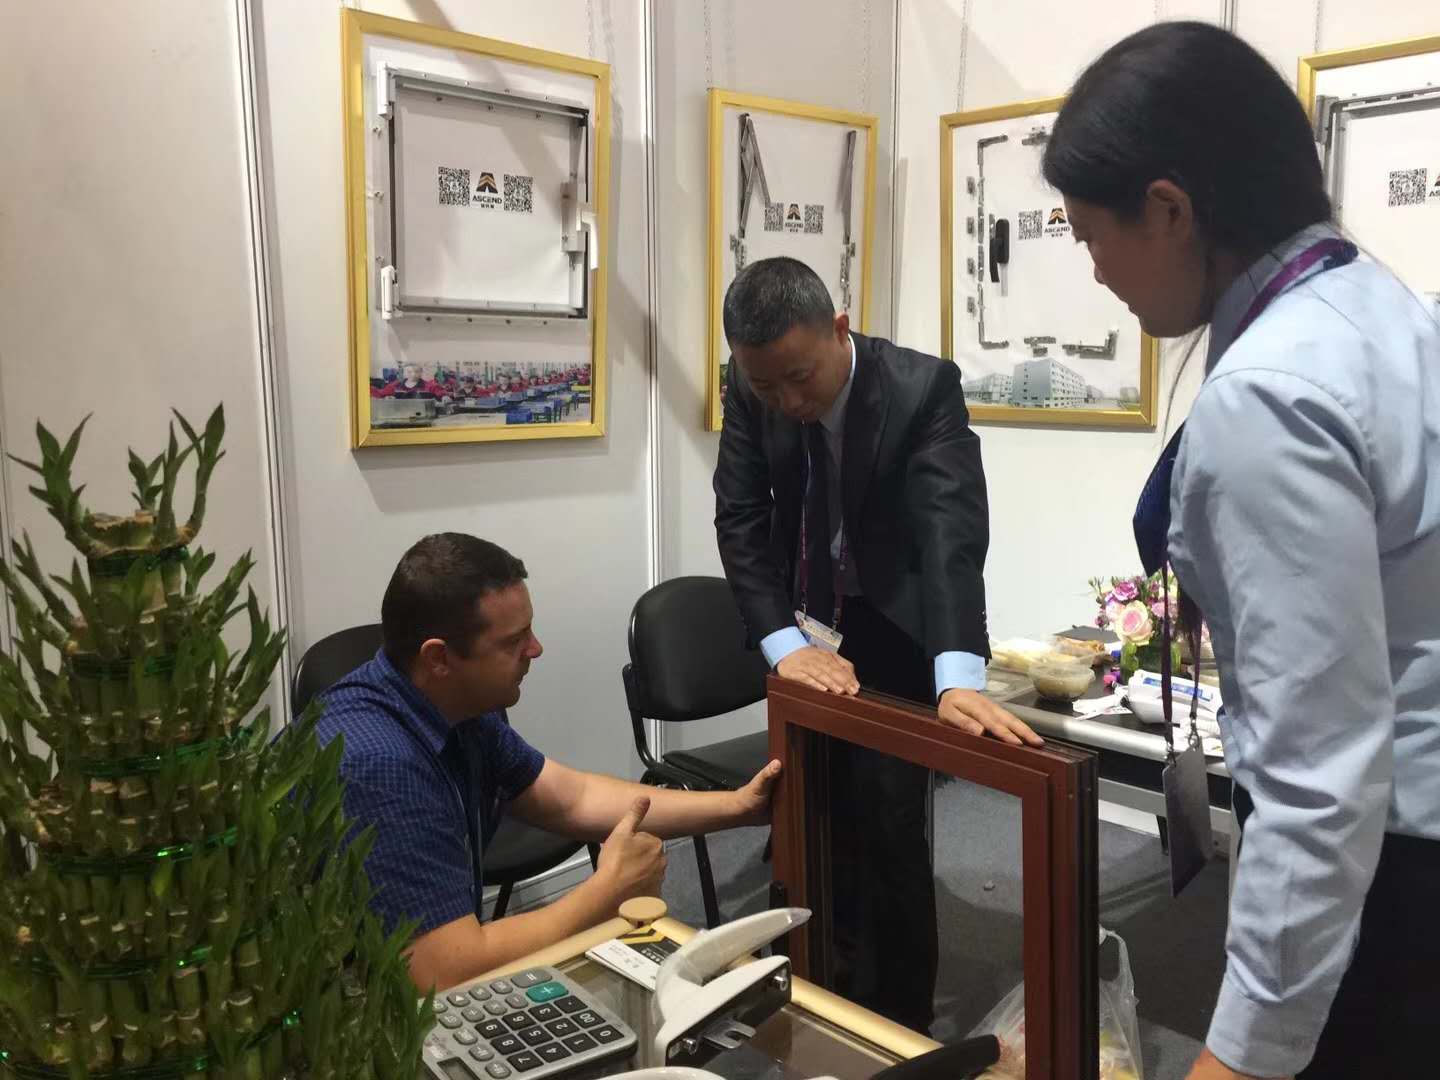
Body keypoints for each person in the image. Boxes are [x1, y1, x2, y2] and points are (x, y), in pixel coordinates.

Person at [1043, 22, 1440, 1080]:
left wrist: (1242, 1054)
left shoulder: (1271, 391)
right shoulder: (1380, 307)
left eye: (1090, 236)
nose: (1095, 271)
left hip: (1384, 871)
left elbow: (1319, 774)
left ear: (1169, 211)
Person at [713, 256, 1039, 1034]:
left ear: (839, 329)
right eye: (767, 386)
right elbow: (741, 520)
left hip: (891, 627)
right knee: (806, 819)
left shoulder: (922, 388)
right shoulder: (752, 386)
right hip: (803, 630)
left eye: (800, 379)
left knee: (890, 828)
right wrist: (782, 644)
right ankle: (810, 1001)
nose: (789, 402)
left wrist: (957, 675)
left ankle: (898, 1028)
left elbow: (948, 535)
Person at [316, 533, 782, 992]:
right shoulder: (376, 765)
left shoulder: (459, 708)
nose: (535, 649)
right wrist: (606, 892)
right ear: (438, 658)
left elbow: (572, 797)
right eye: (514, 641)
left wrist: (739, 806)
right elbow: (446, 972)